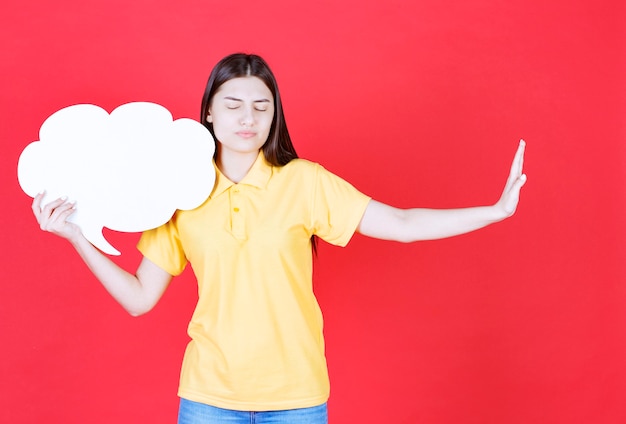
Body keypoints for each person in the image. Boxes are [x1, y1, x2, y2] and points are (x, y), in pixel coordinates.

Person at [32, 53, 527, 424]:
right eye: (233, 105)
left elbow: (400, 224)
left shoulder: (305, 181)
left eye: (260, 107)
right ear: (208, 112)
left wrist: (494, 211)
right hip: (208, 398)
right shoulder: (178, 191)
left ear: (273, 117)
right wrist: (77, 236)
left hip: (297, 397)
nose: (247, 118)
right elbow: (139, 299)